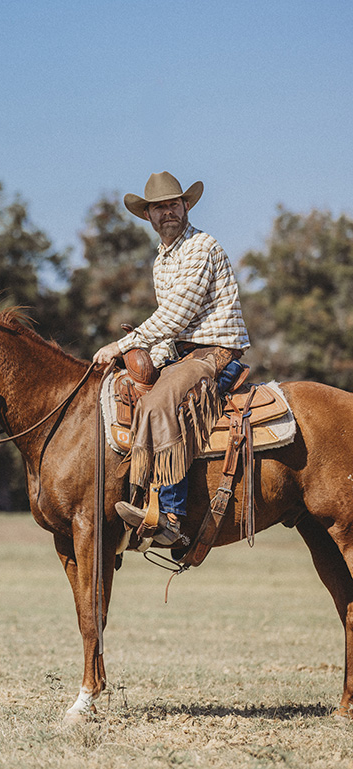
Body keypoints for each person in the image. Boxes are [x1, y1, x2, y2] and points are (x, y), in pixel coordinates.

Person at [91, 172, 250, 546]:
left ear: (187, 206)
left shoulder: (201, 247)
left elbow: (177, 316)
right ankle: (134, 500)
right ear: (148, 216)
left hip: (214, 353)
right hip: (184, 354)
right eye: (158, 208)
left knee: (161, 402)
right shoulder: (162, 260)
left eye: (173, 204)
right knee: (126, 390)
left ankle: (171, 516)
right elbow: (174, 333)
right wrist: (137, 355)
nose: (167, 213)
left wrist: (122, 344)